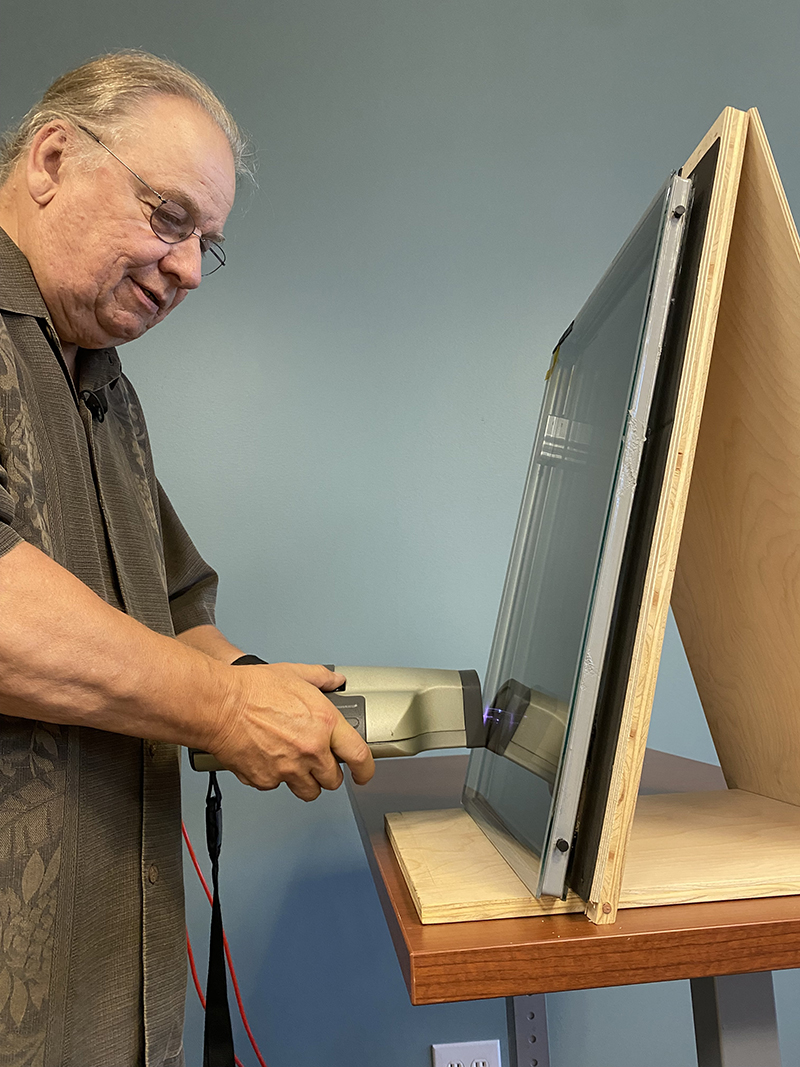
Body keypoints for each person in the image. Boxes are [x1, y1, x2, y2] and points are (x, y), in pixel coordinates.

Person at [0, 51, 374, 1067]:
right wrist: (220, 709)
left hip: (111, 991)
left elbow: (174, 611)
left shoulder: (107, 389)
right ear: (52, 158)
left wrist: (250, 681)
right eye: (168, 219)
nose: (189, 270)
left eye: (208, 243)